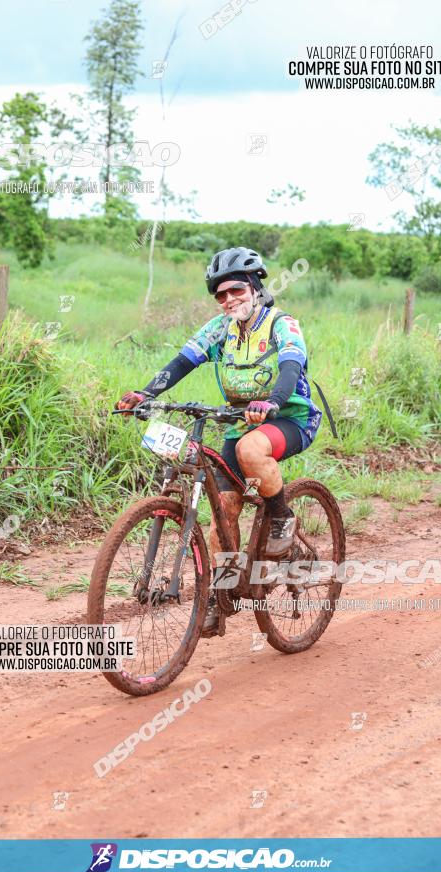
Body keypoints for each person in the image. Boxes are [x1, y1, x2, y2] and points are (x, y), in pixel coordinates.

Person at [116, 246, 322, 636]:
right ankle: (221, 592)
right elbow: (181, 363)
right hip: (240, 420)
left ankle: (281, 518)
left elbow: (291, 366)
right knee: (223, 507)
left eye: (237, 291)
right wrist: (146, 394)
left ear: (255, 288)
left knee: (250, 449)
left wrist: (273, 401)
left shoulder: (282, 324)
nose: (229, 300)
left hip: (289, 416)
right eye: (221, 295)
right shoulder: (219, 329)